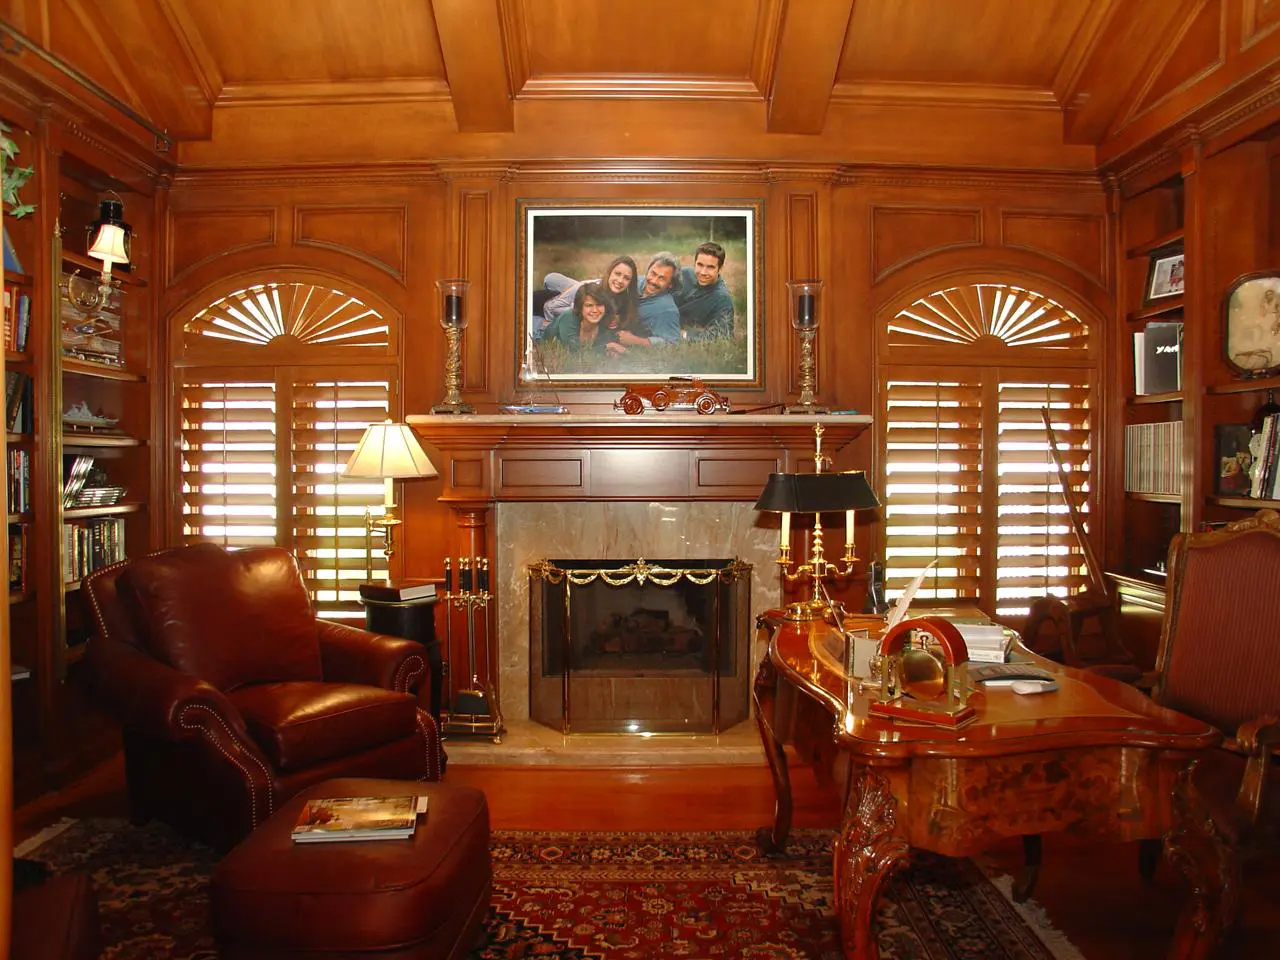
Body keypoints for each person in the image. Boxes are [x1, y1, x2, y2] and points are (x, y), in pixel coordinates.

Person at [534, 256, 639, 338]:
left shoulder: (626, 299)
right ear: (609, 273)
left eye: (626, 278)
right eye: (617, 274)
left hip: (573, 295)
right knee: (551, 279)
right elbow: (550, 308)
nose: (620, 280)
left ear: (631, 282)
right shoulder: (588, 290)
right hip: (545, 306)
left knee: (552, 279)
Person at [611, 252, 681, 353]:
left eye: (662, 278)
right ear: (647, 271)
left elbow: (673, 344)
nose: (654, 281)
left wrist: (636, 341)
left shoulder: (667, 310)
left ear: (670, 284)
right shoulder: (638, 281)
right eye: (653, 273)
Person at [673, 241, 734, 340]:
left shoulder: (722, 298)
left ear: (720, 268)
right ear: (695, 263)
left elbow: (722, 335)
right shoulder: (684, 274)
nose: (703, 272)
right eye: (700, 265)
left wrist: (683, 335)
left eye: (710, 267)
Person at [540, 281, 618, 352]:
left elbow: (597, 349)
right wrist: (607, 347)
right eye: (589, 305)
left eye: (599, 304)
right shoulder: (568, 318)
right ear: (580, 307)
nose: (595, 310)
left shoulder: (604, 321)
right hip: (539, 331)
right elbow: (574, 353)